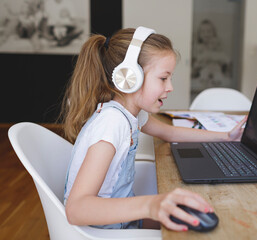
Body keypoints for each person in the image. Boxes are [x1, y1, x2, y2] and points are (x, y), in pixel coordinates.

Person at [59, 26, 247, 231]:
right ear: (131, 77)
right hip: (104, 233)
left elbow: (171, 132)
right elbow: (76, 208)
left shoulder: (131, 113)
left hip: (120, 221)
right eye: (163, 78)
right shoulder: (111, 124)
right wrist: (151, 205)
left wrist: (226, 136)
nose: (170, 87)